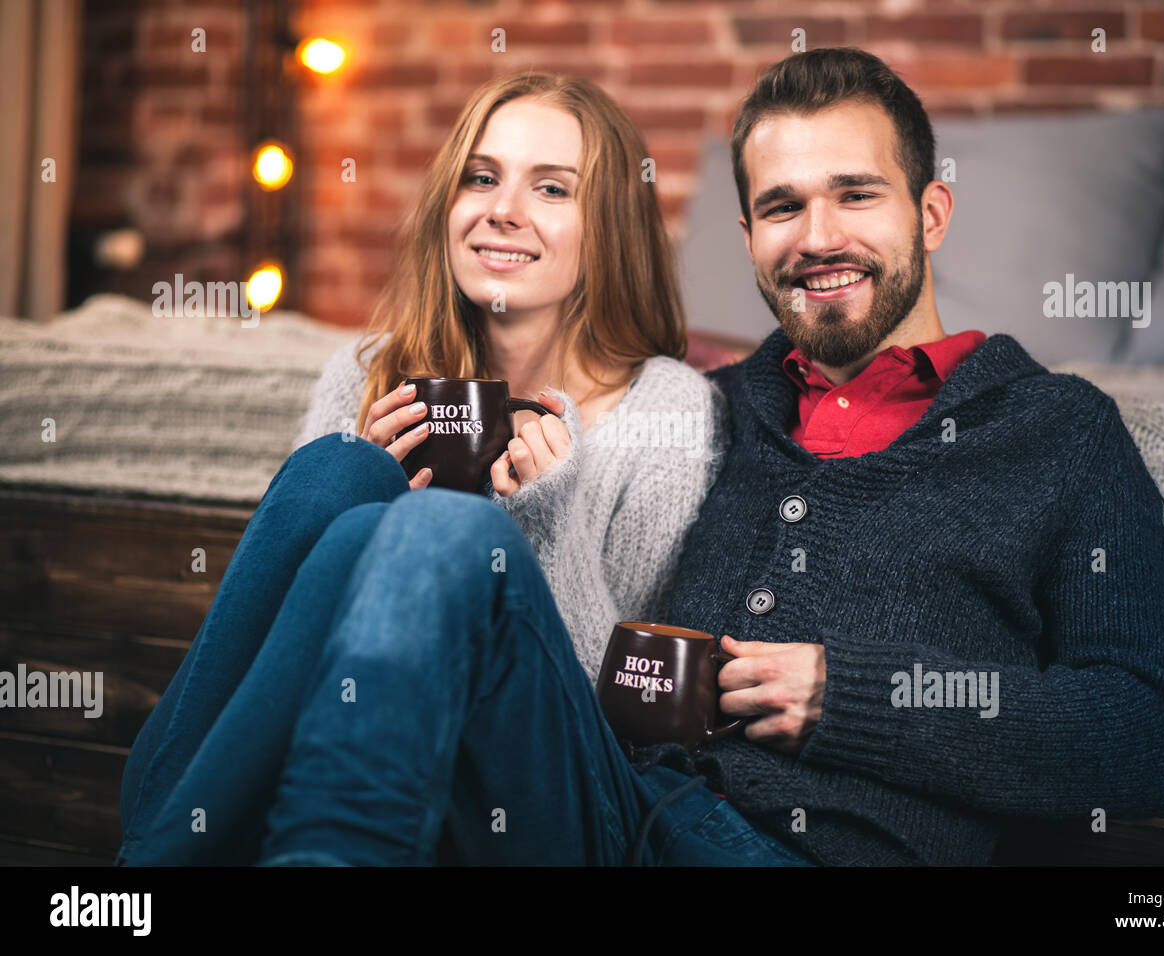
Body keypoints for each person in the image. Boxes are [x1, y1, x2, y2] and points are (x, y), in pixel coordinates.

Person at [115, 72, 763, 866]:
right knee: (339, 473)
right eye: (481, 178)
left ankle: (152, 860)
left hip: (545, 787)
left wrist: (540, 527)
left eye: (552, 189)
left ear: (608, 229)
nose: (502, 210)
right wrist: (375, 518)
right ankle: (158, 841)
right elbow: (281, 640)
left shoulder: (666, 412)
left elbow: (628, 721)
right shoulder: (365, 375)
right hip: (340, 748)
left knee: (421, 525)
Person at [638, 47, 1164, 865]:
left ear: (931, 214)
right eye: (782, 207)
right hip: (612, 813)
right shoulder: (701, 406)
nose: (818, 238)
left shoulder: (1061, 433)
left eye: (856, 195)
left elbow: (1147, 736)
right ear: (750, 236)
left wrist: (857, 700)